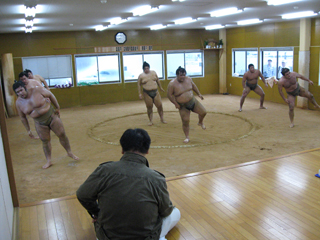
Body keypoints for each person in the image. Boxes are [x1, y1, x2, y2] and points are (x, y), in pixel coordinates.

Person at [77, 128, 180, 240]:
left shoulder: (104, 170)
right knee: (175, 212)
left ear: (122, 150)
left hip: (107, 237)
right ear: (147, 151)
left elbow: (82, 194)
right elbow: (166, 211)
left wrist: (96, 212)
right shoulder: (156, 178)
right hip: (145, 237)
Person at [13, 81, 78, 169]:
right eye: (18, 92)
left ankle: (69, 152)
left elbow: (51, 95)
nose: (21, 93)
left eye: (21, 90)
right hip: (39, 123)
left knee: (62, 134)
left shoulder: (37, 90)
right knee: (45, 141)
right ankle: (49, 160)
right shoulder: (19, 103)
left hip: (52, 117)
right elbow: (22, 117)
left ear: (25, 88)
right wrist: (28, 130)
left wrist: (57, 107)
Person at [167, 66, 206, 143]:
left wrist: (199, 94)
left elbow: (194, 86)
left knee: (203, 112)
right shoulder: (172, 84)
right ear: (177, 75)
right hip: (182, 106)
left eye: (184, 75)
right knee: (185, 121)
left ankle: (200, 122)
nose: (183, 77)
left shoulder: (188, 79)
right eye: (181, 75)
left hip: (193, 101)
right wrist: (175, 104)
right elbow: (169, 95)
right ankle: (187, 137)